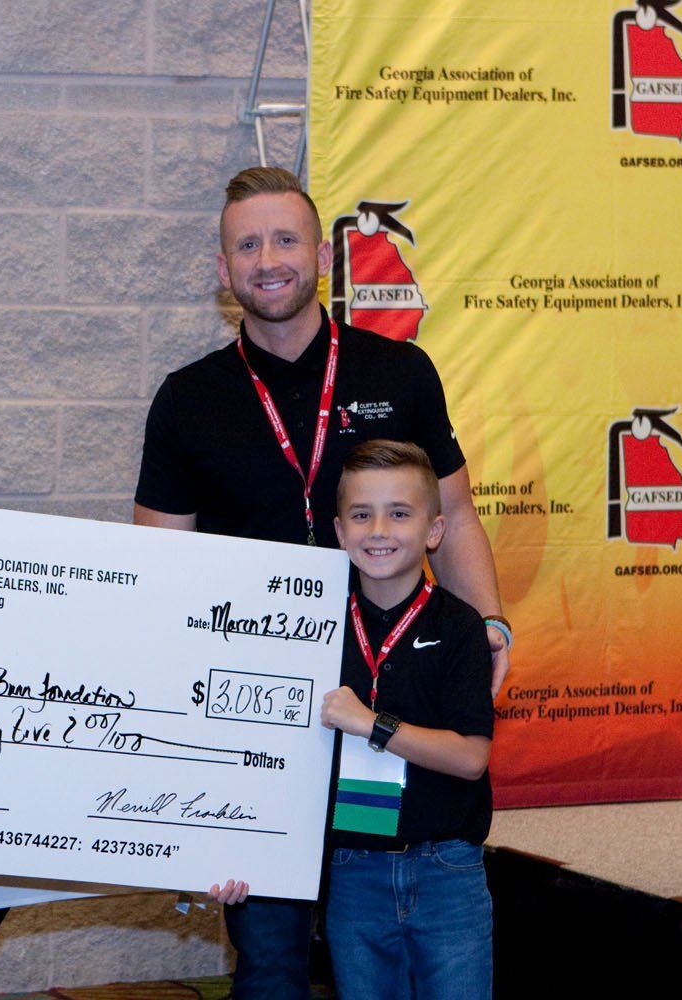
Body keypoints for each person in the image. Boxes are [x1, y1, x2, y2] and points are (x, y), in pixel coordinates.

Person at [134, 166, 508, 998]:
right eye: (247, 244)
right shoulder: (187, 399)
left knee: (381, 944)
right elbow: (157, 573)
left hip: (386, 701)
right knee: (270, 956)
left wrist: (489, 623)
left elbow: (457, 513)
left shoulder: (401, 372)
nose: (269, 259)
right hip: (255, 717)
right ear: (222, 271)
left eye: (286, 238)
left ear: (324, 256)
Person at [211, 439, 495, 998]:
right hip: (353, 871)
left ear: (434, 531)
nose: (379, 530)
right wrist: (234, 847)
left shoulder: (461, 627)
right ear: (339, 533)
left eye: (399, 513)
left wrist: (373, 725)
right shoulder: (307, 626)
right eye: (361, 515)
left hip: (447, 872)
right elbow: (262, 752)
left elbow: (470, 757)